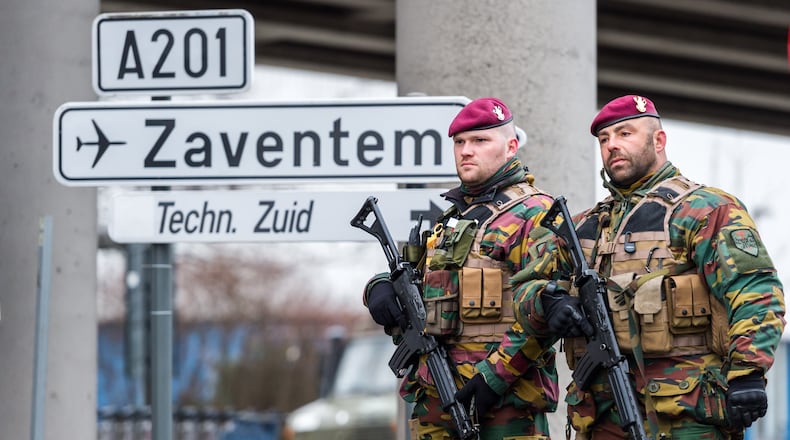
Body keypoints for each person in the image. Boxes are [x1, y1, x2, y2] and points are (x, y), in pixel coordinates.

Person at [511, 94, 786, 439]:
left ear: (659, 140)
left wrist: (747, 372)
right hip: (601, 414)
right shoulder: (584, 226)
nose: (612, 145)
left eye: (625, 133)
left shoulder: (703, 209)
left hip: (686, 413)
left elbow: (756, 291)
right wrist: (548, 303)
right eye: (604, 139)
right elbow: (525, 289)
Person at [363, 97, 561, 439]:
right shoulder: (453, 217)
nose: (466, 151)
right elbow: (416, 280)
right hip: (435, 398)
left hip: (504, 404)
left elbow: (543, 309)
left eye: (480, 140)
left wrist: (493, 378)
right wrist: (378, 288)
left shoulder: (535, 212)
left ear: (511, 147)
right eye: (459, 142)